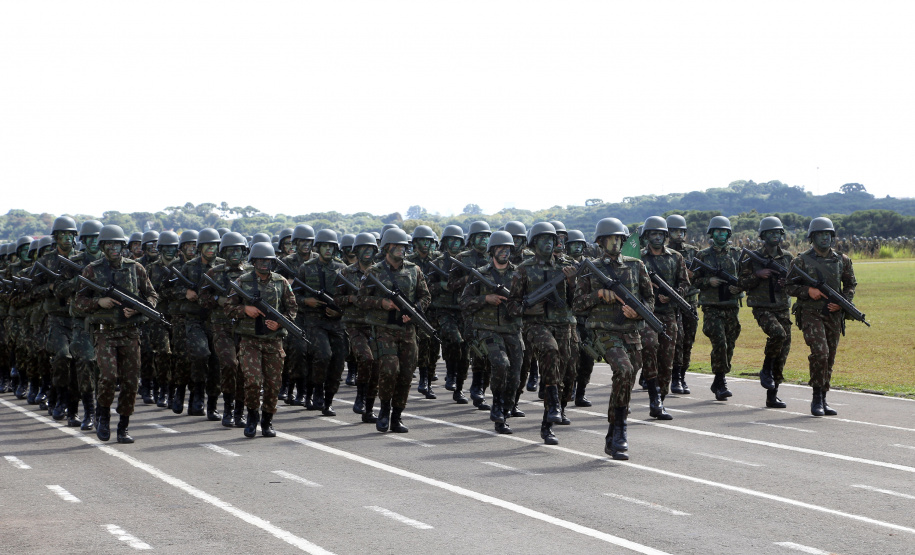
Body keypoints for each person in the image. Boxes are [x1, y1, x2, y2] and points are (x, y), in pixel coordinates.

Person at [572, 218, 653, 460]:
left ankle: (612, 430)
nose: (616, 243)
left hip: (631, 331)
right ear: (600, 241)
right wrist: (597, 295)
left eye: (620, 238)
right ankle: (620, 431)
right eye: (611, 239)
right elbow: (576, 304)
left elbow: (649, 299)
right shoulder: (589, 268)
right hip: (604, 331)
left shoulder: (636, 266)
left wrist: (638, 312)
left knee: (627, 379)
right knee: (624, 370)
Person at [74, 225, 159, 443]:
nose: (113, 248)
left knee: (131, 382)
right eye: (109, 244)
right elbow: (78, 303)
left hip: (130, 333)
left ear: (123, 246)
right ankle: (102, 417)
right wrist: (98, 302)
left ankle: (123, 426)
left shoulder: (136, 268)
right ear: (102, 246)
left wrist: (139, 308)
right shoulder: (92, 270)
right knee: (108, 378)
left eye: (117, 244)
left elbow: (152, 296)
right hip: (105, 334)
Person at [507, 222, 578, 445]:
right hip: (535, 325)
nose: (549, 243)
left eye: (552, 239)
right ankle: (554, 405)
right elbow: (512, 306)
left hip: (563, 324)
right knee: (550, 351)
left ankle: (548, 424)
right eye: (544, 239)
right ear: (535, 242)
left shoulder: (567, 266)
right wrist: (527, 308)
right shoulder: (524, 269)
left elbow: (579, 301)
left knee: (565, 372)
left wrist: (572, 281)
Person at [355, 228, 431, 433]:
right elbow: (361, 300)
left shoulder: (414, 270)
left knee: (406, 374)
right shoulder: (374, 272)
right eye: (396, 246)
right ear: (387, 247)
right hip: (383, 330)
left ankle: (397, 416)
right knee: (389, 370)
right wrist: (382, 303)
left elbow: (425, 296)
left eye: (403, 246)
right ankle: (384, 410)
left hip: (407, 330)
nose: (401, 249)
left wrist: (414, 311)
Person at [786, 217, 857, 416]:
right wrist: (808, 290)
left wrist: (843, 302)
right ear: (812, 237)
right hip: (810, 314)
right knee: (821, 353)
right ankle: (816, 397)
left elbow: (851, 284)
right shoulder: (800, 260)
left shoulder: (842, 260)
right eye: (820, 234)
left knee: (830, 358)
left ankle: (824, 398)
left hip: (833, 315)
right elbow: (788, 285)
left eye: (828, 234)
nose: (825, 238)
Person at [224, 242, 296, 437]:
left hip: (274, 341)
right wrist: (244, 310)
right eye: (260, 260)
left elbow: (292, 309)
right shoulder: (243, 281)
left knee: (273, 385)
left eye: (268, 261)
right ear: (253, 261)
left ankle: (267, 420)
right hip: (250, 341)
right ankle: (252, 417)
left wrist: (281, 323)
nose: (264, 264)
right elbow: (228, 307)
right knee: (253, 382)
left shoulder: (281, 282)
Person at [459, 231, 522, 434]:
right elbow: (464, 302)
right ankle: (497, 404)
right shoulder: (480, 274)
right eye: (500, 248)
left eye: (508, 249)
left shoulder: (520, 274)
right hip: (488, 330)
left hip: (512, 329)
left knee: (515, 374)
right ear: (492, 251)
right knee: (501, 364)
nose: (505, 252)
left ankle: (505, 410)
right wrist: (485, 299)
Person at [739, 216, 793, 409]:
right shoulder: (751, 258)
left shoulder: (787, 257)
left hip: (782, 307)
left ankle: (773, 394)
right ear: (763, 236)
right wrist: (757, 275)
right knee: (778, 334)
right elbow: (740, 284)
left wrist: (785, 284)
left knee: (783, 350)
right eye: (771, 233)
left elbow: (795, 285)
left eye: (778, 232)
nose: (775, 236)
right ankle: (765, 369)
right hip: (762, 307)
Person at [638, 216, 689, 419]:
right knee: (649, 348)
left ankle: (660, 401)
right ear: (647, 236)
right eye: (653, 234)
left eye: (660, 234)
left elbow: (685, 284)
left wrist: (673, 295)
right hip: (647, 313)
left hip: (669, 314)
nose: (657, 237)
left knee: (667, 359)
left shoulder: (676, 258)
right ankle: (653, 396)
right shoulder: (639, 259)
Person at [199, 232, 250, 427]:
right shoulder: (214, 273)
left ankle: (239, 411)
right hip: (221, 326)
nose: (235, 253)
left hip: (245, 327)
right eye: (231, 250)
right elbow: (203, 298)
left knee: (243, 370)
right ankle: (228, 408)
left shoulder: (251, 273)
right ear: (224, 252)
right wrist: (217, 300)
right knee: (229, 364)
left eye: (238, 250)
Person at [295, 229, 348, 416]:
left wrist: (339, 311)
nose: (328, 250)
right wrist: (306, 301)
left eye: (331, 246)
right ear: (318, 247)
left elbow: (350, 297)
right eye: (324, 246)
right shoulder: (306, 268)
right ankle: (315, 391)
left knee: (338, 360)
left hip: (337, 322)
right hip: (314, 320)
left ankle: (328, 400)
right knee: (323, 355)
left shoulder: (343, 269)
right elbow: (294, 294)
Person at [693, 216, 742, 401]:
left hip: (731, 306)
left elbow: (746, 277)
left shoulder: (737, 254)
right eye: (717, 231)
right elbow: (692, 279)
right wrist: (708, 281)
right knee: (719, 342)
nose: (721, 234)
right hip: (711, 307)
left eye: (724, 231)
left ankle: (719, 378)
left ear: (728, 234)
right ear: (711, 233)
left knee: (729, 344)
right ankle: (721, 382)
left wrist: (739, 287)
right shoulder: (703, 256)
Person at [335, 232, 382, 423]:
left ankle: (369, 408)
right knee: (366, 358)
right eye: (363, 248)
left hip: (377, 325)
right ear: (356, 251)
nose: (367, 252)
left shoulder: (380, 272)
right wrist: (351, 298)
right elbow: (336, 299)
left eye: (370, 248)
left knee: (377, 367)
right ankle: (361, 397)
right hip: (355, 325)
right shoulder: (346, 273)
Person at [449, 220, 493, 411]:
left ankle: (480, 388)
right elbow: (451, 285)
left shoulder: (495, 258)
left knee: (487, 353)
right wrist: (467, 279)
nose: (483, 239)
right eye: (480, 236)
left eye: (486, 236)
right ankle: (461, 387)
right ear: (472, 238)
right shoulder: (462, 258)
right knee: (468, 352)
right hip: (466, 311)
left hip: (488, 312)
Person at [406, 225, 442, 400]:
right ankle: (422, 379)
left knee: (434, 346)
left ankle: (428, 378)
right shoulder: (409, 261)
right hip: (416, 308)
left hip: (435, 308)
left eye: (428, 241)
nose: (425, 244)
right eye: (422, 241)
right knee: (421, 344)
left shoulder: (438, 260)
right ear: (415, 243)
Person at [666, 214, 699, 395]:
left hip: (690, 302)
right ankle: (675, 377)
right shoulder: (663, 252)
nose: (678, 234)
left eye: (681, 231)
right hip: (671, 304)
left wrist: (694, 276)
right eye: (674, 231)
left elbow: (701, 278)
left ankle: (683, 375)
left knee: (688, 341)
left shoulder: (693, 252)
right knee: (675, 341)